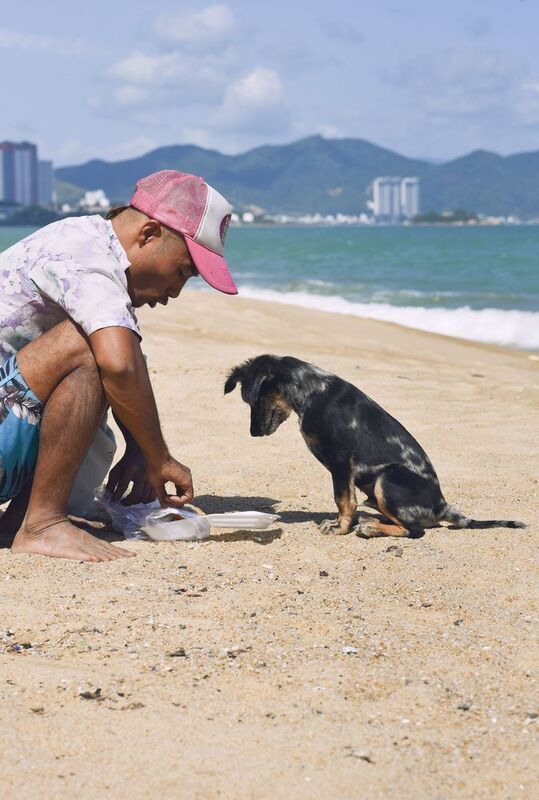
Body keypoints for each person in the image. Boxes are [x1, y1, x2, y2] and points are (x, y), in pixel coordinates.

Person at [0, 170, 237, 561]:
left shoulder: (94, 248)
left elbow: (127, 362)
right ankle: (42, 524)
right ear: (148, 234)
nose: (176, 292)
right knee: (94, 347)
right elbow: (119, 364)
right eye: (182, 272)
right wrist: (159, 456)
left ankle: (23, 521)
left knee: (107, 346)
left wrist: (141, 449)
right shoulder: (85, 256)